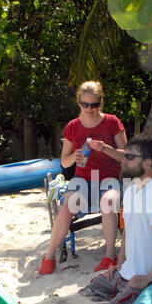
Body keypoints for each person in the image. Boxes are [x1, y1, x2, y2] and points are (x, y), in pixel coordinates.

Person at [78, 135, 152, 304]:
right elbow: (127, 232)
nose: (123, 160)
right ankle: (122, 286)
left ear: (148, 163)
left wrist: (149, 279)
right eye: (124, 156)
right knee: (93, 287)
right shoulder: (132, 190)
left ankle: (134, 293)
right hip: (128, 273)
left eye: (130, 157)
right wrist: (119, 265)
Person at [39, 81, 127, 275]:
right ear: (79, 103)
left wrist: (105, 148)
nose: (89, 109)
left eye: (94, 105)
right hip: (83, 180)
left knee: (109, 201)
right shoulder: (73, 127)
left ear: (101, 102)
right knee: (68, 205)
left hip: (109, 179)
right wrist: (74, 156)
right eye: (85, 104)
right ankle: (49, 256)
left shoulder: (112, 122)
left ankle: (110, 255)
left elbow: (127, 157)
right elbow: (65, 162)